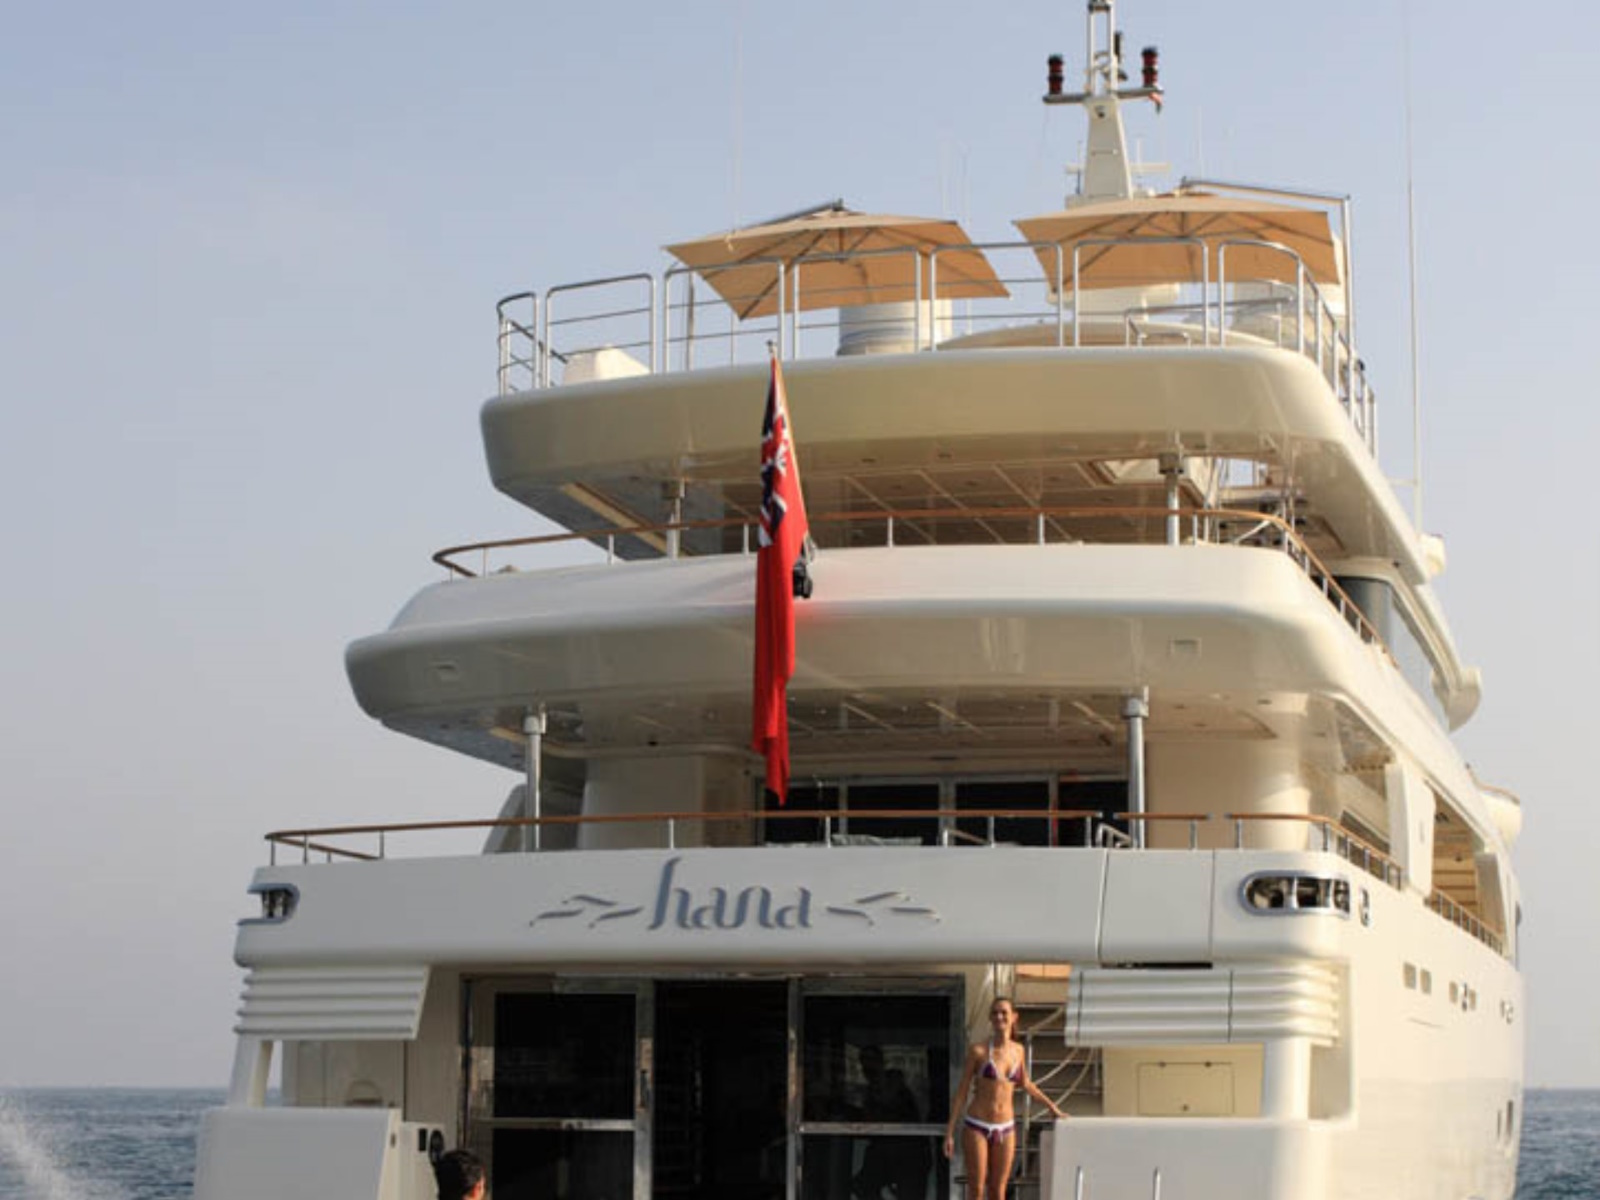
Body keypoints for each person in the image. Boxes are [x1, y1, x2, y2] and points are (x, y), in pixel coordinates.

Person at [942, 998, 1065, 1200]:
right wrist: (949, 1132)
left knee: (998, 1191)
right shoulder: (978, 1051)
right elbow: (962, 1091)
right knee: (976, 1189)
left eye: (1004, 1012)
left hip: (1005, 1127)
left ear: (1014, 1017)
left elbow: (1026, 1083)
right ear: (990, 1018)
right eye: (995, 1013)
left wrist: (1052, 1107)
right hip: (977, 1125)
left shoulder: (1018, 1050)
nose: (999, 1017)